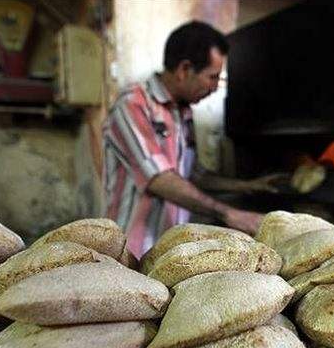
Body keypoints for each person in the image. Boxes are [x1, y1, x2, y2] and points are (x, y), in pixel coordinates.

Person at [102, 21, 282, 257]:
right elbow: (160, 179)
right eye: (212, 77)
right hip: (131, 250)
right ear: (184, 69)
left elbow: (192, 175)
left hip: (170, 249)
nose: (216, 87)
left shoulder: (183, 112)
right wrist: (228, 213)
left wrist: (247, 186)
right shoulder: (133, 105)